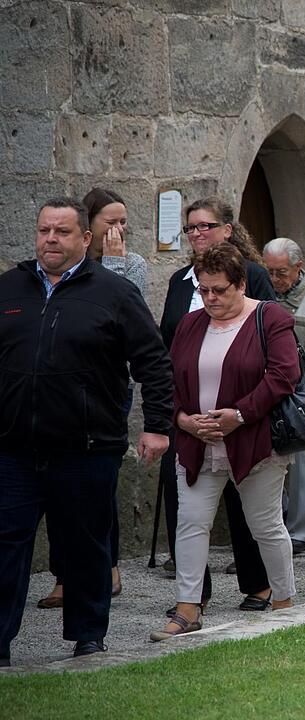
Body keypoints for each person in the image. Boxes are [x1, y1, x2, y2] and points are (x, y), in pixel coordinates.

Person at [0, 198, 172, 664]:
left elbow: (153, 363)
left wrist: (157, 426)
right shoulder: (9, 289)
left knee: (85, 546)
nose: (50, 240)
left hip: (87, 447)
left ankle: (88, 635)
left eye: (61, 232)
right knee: (5, 544)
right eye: (43, 231)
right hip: (14, 448)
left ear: (85, 239)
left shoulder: (114, 292)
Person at [151, 243, 300, 641]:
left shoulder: (270, 318)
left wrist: (238, 415)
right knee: (191, 524)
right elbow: (172, 379)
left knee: (265, 525)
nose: (210, 298)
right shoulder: (190, 324)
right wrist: (183, 418)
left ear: (241, 284)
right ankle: (187, 608)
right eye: (204, 290)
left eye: (219, 290)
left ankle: (284, 602)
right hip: (198, 441)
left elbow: (284, 376)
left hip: (253, 442)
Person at [158, 196, 276, 613]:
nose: (197, 234)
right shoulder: (179, 281)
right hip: (190, 414)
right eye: (190, 228)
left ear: (228, 230)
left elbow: (270, 347)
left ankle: (260, 585)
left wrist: (240, 412)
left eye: (205, 226)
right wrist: (178, 416)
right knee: (185, 505)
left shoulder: (255, 277)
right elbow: (166, 344)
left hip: (242, 414)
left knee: (248, 506)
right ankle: (194, 597)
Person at [37, 187, 150, 610]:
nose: (118, 229)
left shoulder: (131, 264)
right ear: (89, 228)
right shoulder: (53, 272)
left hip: (108, 391)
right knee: (54, 487)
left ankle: (110, 567)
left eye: (124, 221)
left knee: (98, 483)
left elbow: (126, 316)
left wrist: (116, 261)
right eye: (111, 222)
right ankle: (64, 575)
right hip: (56, 395)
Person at [262, 238, 305, 556]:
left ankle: (299, 530)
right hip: (270, 385)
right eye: (269, 271)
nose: (274, 279)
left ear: (299, 268)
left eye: (281, 272)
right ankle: (276, 522)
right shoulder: (263, 292)